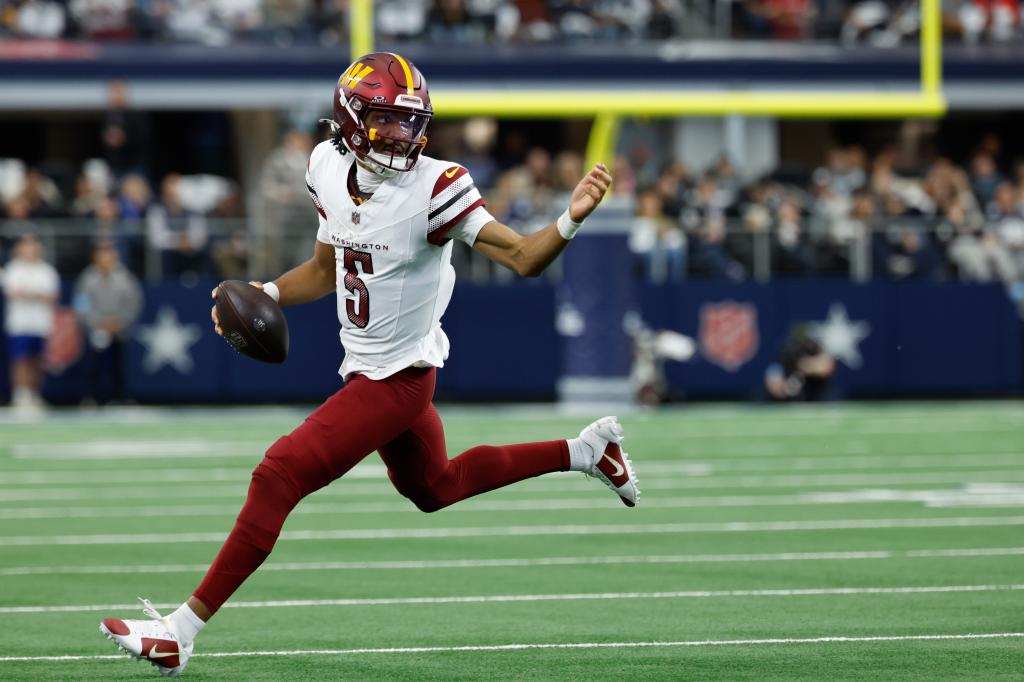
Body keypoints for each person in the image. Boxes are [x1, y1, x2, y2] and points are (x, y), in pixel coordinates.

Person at [99, 52, 638, 677]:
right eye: (388, 121)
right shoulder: (326, 167)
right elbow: (327, 270)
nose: (403, 136)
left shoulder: (437, 185)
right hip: (364, 364)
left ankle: (180, 631)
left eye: (413, 123)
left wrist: (570, 218)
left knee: (278, 474)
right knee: (435, 488)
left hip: (400, 377)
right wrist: (267, 294)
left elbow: (521, 257)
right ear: (351, 119)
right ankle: (586, 452)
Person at [73, 241, 143, 405]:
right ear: (95, 257)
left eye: (109, 254)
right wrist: (97, 324)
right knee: (93, 364)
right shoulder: (87, 278)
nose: (106, 258)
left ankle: (119, 397)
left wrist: (119, 322)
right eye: (102, 255)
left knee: (119, 364)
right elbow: (81, 305)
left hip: (119, 328)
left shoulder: (125, 277)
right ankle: (91, 397)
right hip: (95, 329)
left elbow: (133, 303)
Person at [1, 233, 59, 415]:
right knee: (20, 359)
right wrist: (36, 295)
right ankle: (21, 394)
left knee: (37, 360)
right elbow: (13, 293)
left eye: (33, 245)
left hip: (41, 323)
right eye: (25, 245)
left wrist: (29, 294)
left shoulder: (47, 271)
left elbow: (52, 296)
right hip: (20, 323)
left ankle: (34, 394)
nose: (29, 249)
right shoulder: (13, 269)